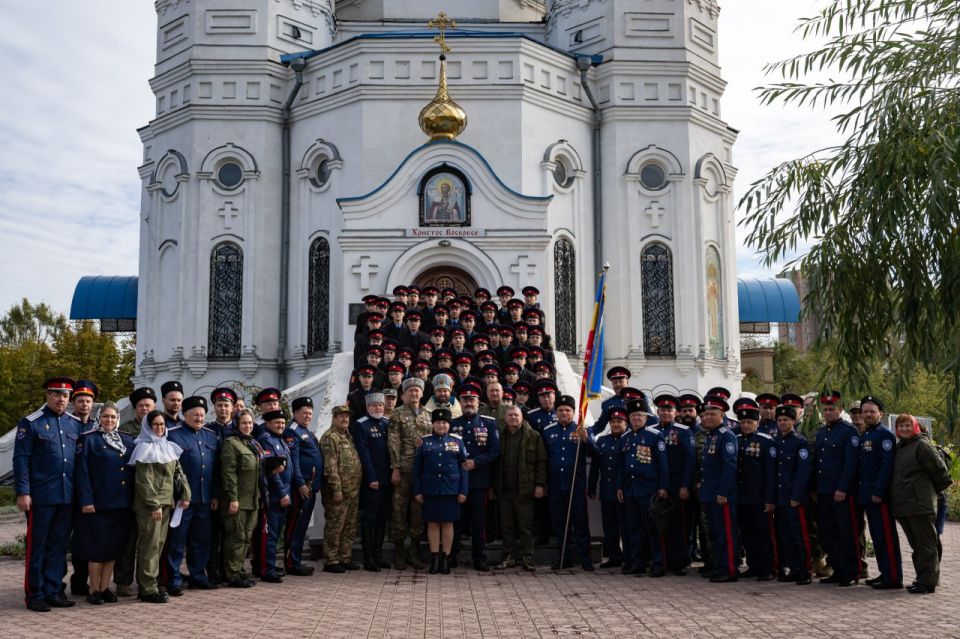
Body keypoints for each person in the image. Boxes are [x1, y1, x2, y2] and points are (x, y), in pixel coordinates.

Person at [14, 377, 83, 612]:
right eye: (56, 394)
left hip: (67, 496)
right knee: (38, 546)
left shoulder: (75, 423)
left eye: (65, 396)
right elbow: (21, 460)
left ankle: (54, 591)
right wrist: (23, 492)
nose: (61, 399)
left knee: (59, 546)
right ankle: (35, 594)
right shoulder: (31, 422)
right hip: (41, 497)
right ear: (48, 395)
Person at [75, 402, 136, 604]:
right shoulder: (88, 440)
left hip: (121, 504)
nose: (109, 420)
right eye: (105, 416)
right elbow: (82, 473)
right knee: (96, 549)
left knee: (113, 548)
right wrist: (86, 500)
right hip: (97, 504)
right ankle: (93, 589)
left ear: (118, 419)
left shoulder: (126, 440)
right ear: (99, 418)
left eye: (113, 417)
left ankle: (105, 587)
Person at [129, 410, 190, 604]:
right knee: (150, 545)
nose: (159, 428)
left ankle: (152, 583)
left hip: (166, 504)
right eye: (155, 424)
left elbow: (178, 473)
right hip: (150, 506)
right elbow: (143, 481)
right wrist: (154, 504)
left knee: (159, 545)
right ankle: (147, 588)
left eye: (162, 424)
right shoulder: (143, 447)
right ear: (147, 426)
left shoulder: (167, 446)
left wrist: (185, 495)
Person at [164, 396, 221, 594]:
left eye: (201, 415)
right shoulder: (172, 435)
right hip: (182, 500)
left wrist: (215, 495)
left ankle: (198, 575)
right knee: (177, 540)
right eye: (194, 414)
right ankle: (173, 578)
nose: (198, 418)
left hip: (205, 499)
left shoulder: (211, 436)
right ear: (184, 415)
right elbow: (168, 470)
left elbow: (216, 470)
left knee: (201, 539)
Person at [891, 414, 952, 594]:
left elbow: (941, 473)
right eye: (900, 426)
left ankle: (928, 583)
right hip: (905, 506)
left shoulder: (922, 446)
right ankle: (922, 578)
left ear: (915, 426)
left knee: (926, 546)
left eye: (907, 425)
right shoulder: (901, 448)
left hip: (920, 505)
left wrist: (930, 494)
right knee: (917, 546)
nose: (904, 429)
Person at [542, 394, 597, 571]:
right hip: (556, 486)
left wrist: (586, 439)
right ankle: (564, 558)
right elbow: (543, 459)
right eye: (560, 410)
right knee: (559, 525)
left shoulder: (582, 429)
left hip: (576, 486)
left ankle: (585, 558)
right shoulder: (548, 430)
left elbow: (597, 454)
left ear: (574, 412)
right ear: (556, 412)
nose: (564, 413)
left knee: (580, 523)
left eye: (567, 410)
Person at [449, 385, 501, 571]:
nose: (468, 402)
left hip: (479, 480)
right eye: (465, 399)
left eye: (472, 399)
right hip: (457, 480)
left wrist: (476, 462)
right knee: (456, 519)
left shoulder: (489, 423)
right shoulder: (453, 423)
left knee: (478, 521)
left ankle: (479, 557)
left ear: (479, 402)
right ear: (460, 403)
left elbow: (495, 450)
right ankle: (452, 554)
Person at [812, 391, 861, 586]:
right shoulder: (822, 432)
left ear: (840, 410)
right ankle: (837, 569)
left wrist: (843, 488)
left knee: (846, 533)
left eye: (832, 409)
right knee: (828, 533)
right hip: (824, 491)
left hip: (841, 492)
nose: (828, 412)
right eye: (825, 409)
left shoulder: (849, 432)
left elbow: (851, 464)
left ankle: (851, 572)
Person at [413, 408, 469, 574]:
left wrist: (463, 491)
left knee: (448, 523)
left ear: (449, 425)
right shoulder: (424, 441)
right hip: (430, 489)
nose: (441, 425)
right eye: (438, 422)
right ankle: (435, 559)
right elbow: (417, 469)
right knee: (432, 523)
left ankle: (446, 558)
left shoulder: (457, 441)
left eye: (444, 423)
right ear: (433, 424)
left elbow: (464, 468)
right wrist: (417, 491)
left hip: (451, 490)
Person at [617, 399, 669, 577]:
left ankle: (658, 563)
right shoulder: (625, 437)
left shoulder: (655, 436)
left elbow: (663, 465)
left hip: (649, 490)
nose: (636, 418)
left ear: (646, 417)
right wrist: (620, 487)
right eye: (633, 416)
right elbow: (621, 466)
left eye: (640, 415)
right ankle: (637, 562)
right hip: (631, 490)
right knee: (634, 528)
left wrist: (663, 486)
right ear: (629, 418)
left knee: (652, 529)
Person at [856, 396, 903, 589]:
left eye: (871, 411)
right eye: (865, 411)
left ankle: (893, 577)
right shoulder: (867, 434)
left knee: (886, 536)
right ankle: (885, 572)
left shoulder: (884, 435)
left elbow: (886, 466)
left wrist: (878, 491)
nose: (867, 414)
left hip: (878, 496)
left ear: (880, 414)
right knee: (876, 536)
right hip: (867, 494)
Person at [493, 405, 546, 571]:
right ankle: (508, 557)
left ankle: (527, 557)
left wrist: (540, 485)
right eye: (510, 415)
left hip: (525, 489)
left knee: (525, 526)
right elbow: (494, 463)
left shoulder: (533, 435)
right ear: (505, 418)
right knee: (506, 526)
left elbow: (542, 462)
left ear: (522, 417)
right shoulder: (499, 436)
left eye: (516, 415)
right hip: (504, 490)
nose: (513, 418)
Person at [115, 386, 157, 597]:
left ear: (154, 407)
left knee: (151, 541)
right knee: (128, 539)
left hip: (153, 496)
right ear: (135, 408)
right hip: (129, 492)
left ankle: (149, 581)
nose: (144, 409)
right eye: (141, 406)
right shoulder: (123, 430)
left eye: (148, 405)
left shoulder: (160, 429)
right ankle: (123, 580)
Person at [388, 378, 433, 570]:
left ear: (422, 394)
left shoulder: (428, 414)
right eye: (410, 391)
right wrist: (395, 468)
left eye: (417, 391)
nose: (414, 394)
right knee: (399, 510)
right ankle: (399, 553)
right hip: (404, 469)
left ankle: (414, 553)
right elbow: (393, 441)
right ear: (403, 394)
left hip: (422, 471)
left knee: (417, 513)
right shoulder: (397, 414)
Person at [733, 399, 776, 581]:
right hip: (742, 496)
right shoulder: (735, 440)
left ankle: (767, 567)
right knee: (747, 533)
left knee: (763, 533)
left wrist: (769, 498)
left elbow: (771, 473)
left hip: (759, 497)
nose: (745, 425)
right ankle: (753, 564)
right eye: (742, 422)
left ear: (757, 423)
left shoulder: (766, 442)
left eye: (749, 422)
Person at [653, 394, 696, 575]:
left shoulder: (683, 431)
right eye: (662, 409)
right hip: (658, 485)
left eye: (669, 410)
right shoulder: (652, 430)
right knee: (660, 524)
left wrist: (686, 485)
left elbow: (690, 460)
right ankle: (662, 560)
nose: (665, 413)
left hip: (678, 485)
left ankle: (679, 562)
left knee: (679, 525)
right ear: (657, 411)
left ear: (675, 412)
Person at [698, 394, 739, 582]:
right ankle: (719, 565)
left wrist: (723, 492)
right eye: (705, 414)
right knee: (714, 533)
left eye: (711, 414)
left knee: (726, 534)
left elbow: (729, 466)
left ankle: (729, 569)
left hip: (721, 495)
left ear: (721, 415)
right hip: (709, 494)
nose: (706, 417)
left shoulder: (726, 436)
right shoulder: (711, 436)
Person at [219, 409, 262, 588]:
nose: (247, 426)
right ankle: (232, 573)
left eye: (250, 423)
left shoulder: (251, 443)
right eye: (244, 423)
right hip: (237, 499)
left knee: (246, 537)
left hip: (252, 499)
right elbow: (229, 473)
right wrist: (233, 498)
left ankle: (240, 569)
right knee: (236, 536)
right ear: (237, 424)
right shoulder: (231, 443)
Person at [283, 396, 324, 576]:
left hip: (310, 487)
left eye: (310, 413)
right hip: (302, 488)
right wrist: (300, 483)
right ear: (295, 413)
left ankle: (296, 560)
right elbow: (294, 461)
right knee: (296, 525)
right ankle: (292, 562)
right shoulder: (293, 431)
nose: (308, 416)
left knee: (302, 524)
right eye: (304, 413)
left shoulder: (305, 430)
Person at [319, 405, 363, 573]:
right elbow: (330, 467)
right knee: (335, 526)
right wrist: (336, 489)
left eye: (347, 416)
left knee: (349, 526)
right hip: (338, 492)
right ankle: (331, 560)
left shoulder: (347, 436)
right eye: (341, 416)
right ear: (334, 418)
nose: (345, 419)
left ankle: (345, 557)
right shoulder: (331, 437)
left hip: (352, 490)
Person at [352, 393, 393, 571]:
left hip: (387, 479)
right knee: (370, 518)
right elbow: (364, 454)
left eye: (380, 405)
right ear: (368, 407)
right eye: (374, 405)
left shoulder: (386, 423)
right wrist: (372, 478)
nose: (378, 408)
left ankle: (378, 554)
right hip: (373, 480)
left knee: (382, 518)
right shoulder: (361, 425)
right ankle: (368, 557)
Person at [773, 405, 813, 585]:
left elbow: (803, 473)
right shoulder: (775, 442)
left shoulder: (800, 442)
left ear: (793, 421)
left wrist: (796, 496)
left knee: (800, 536)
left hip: (795, 499)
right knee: (785, 536)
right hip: (780, 498)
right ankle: (793, 568)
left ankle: (805, 570)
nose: (782, 423)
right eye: (780, 420)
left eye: (786, 420)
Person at [252, 410, 293, 583]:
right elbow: (272, 471)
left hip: (283, 494)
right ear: (267, 423)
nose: (281, 425)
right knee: (269, 534)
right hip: (274, 496)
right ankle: (266, 569)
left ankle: (270, 565)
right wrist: (283, 493)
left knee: (275, 535)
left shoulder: (280, 440)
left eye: (283, 423)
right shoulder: (266, 440)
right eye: (277, 422)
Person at [588, 407, 629, 570]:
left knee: (626, 527)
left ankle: (629, 556)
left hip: (624, 491)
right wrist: (591, 487)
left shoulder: (629, 439)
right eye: (613, 421)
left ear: (625, 423)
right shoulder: (602, 441)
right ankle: (614, 556)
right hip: (606, 490)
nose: (616, 424)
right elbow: (595, 465)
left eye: (619, 421)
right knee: (609, 527)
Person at [68, 379, 98, 597]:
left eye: (88, 401)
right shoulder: (67, 424)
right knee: (61, 539)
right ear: (73, 402)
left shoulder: (96, 427)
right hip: (66, 489)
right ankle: (54, 582)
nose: (84, 404)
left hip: (88, 493)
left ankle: (80, 580)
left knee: (84, 539)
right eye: (80, 400)